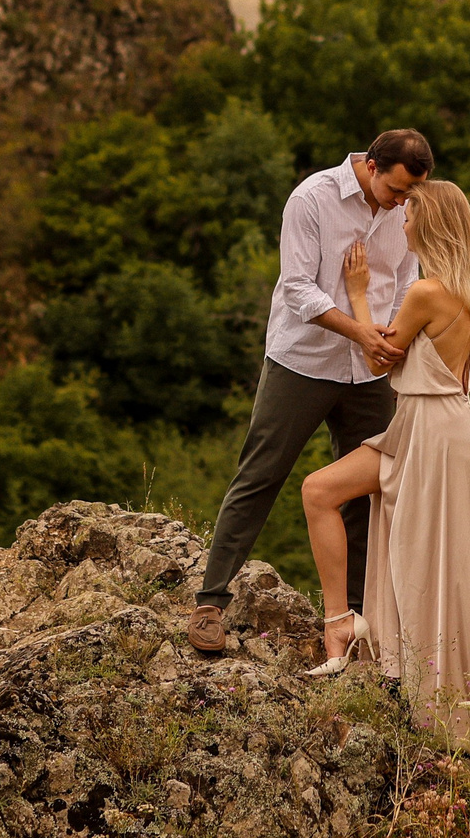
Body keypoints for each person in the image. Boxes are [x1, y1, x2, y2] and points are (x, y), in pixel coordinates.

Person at [186, 129, 434, 654]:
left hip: (370, 372)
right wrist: (360, 331)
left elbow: (404, 285)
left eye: (410, 193)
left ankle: (358, 624)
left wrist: (390, 343)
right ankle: (210, 604)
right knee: (261, 475)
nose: (402, 202)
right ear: (371, 166)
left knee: (369, 491)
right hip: (302, 362)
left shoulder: (405, 210)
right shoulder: (312, 198)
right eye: (396, 190)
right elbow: (298, 288)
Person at [297, 179, 470, 765]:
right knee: (321, 491)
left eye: (411, 213)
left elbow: (379, 355)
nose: (404, 221)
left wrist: (358, 292)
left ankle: (434, 699)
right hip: (432, 424)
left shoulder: (426, 291)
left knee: (427, 556)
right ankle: (344, 625)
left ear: (432, 223)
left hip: (432, 430)